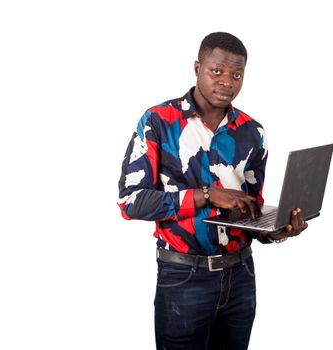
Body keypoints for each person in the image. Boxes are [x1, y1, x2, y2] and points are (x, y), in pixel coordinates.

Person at [118, 32, 308, 350]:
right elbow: (131, 202)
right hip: (182, 277)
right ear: (197, 68)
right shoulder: (158, 122)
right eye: (216, 71)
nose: (227, 82)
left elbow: (251, 209)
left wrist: (278, 230)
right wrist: (207, 194)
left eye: (237, 74)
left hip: (241, 277)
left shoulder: (252, 132)